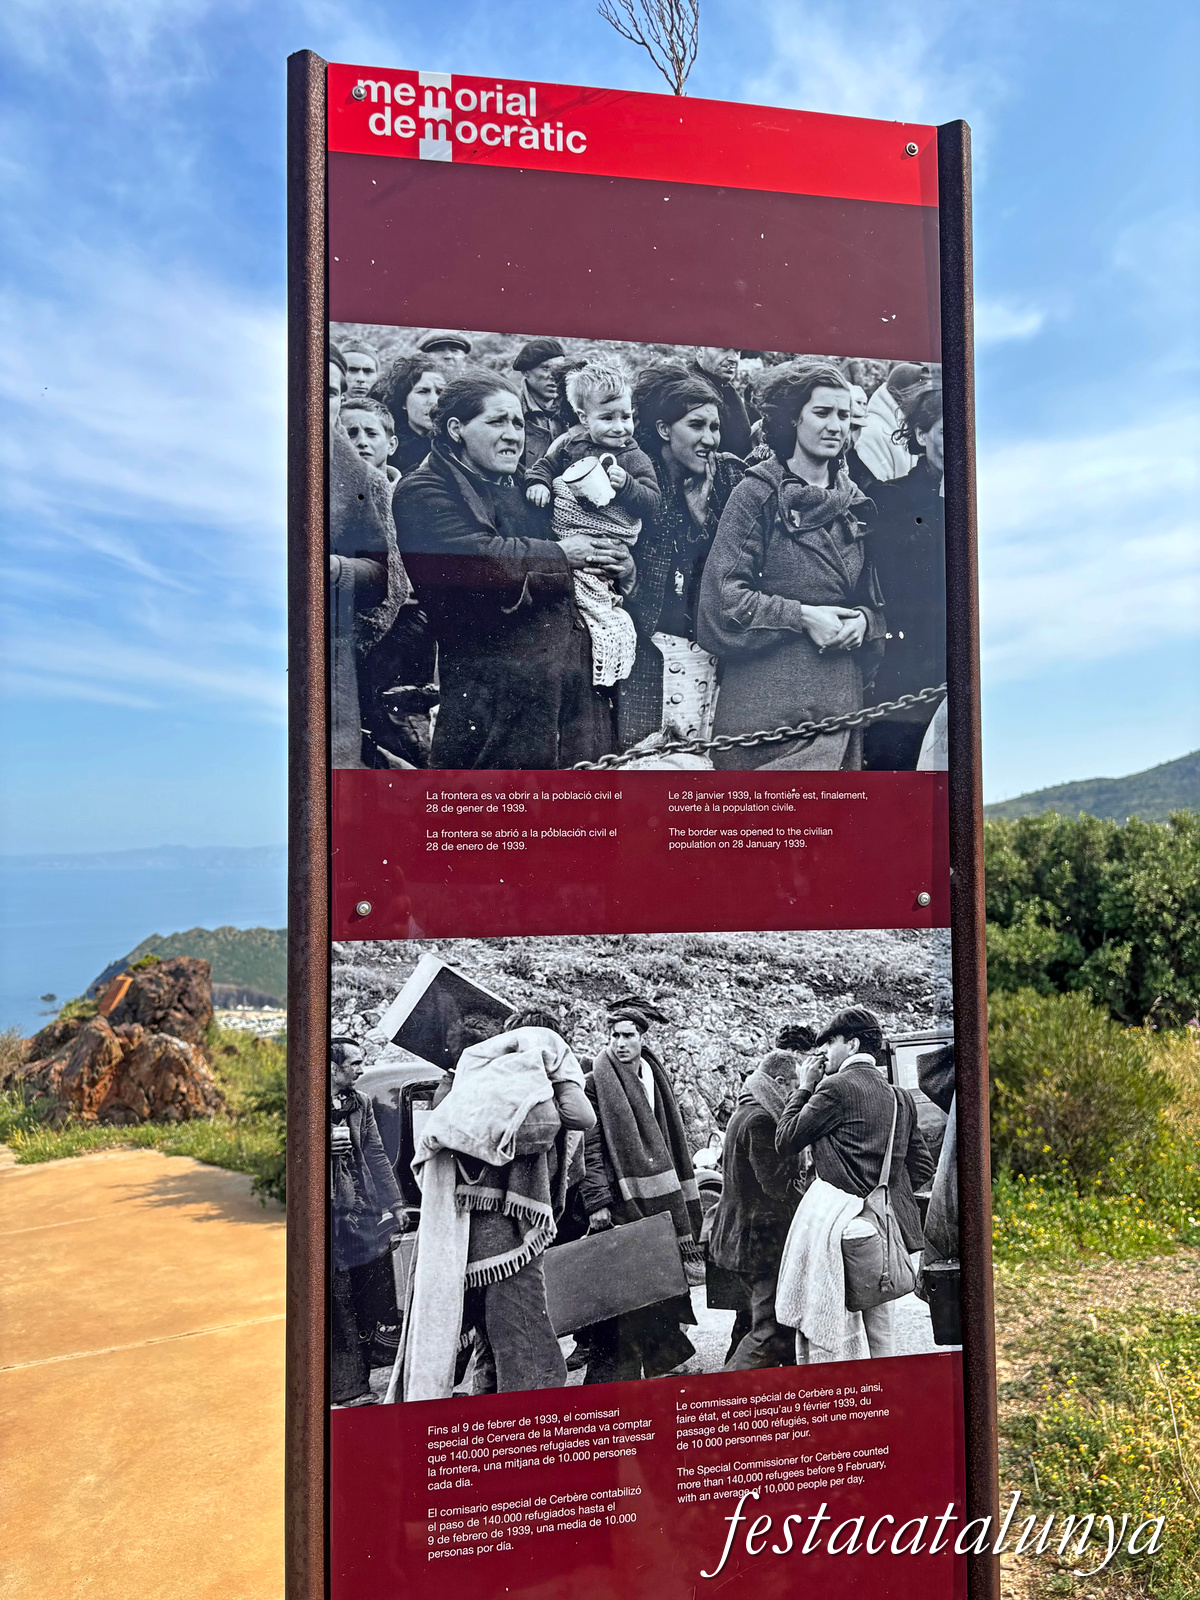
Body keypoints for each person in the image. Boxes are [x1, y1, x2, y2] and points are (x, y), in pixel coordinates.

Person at [394, 371, 628, 768]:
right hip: (493, 701)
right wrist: (561, 555)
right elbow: (477, 559)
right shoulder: (423, 490)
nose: (512, 435)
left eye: (518, 423)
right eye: (497, 421)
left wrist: (618, 560)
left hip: (569, 687)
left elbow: (583, 536)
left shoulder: (525, 485)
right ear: (456, 429)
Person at [696, 362, 885, 770]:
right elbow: (721, 601)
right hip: (766, 712)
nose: (835, 425)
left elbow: (876, 602)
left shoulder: (857, 505)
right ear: (793, 419)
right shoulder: (756, 494)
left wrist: (865, 623)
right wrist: (801, 616)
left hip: (837, 705)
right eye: (822, 413)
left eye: (844, 416)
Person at [405, 1014, 595, 1400]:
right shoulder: (531, 1092)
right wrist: (559, 1078)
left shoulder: (459, 1086)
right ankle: (527, 1429)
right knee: (525, 1338)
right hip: (513, 1236)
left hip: (467, 1236)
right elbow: (582, 1118)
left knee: (492, 1340)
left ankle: (491, 1417)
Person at [774, 1008, 935, 1364]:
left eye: (831, 1042)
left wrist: (803, 1086)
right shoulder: (899, 1096)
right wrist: (883, 1193)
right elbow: (922, 1166)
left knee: (837, 1335)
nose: (826, 1052)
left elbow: (785, 1139)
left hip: (842, 1232)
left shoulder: (834, 1088)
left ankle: (849, 1406)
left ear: (853, 1044)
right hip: (885, 1231)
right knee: (881, 1332)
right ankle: (887, 1404)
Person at [618, 364, 745, 748]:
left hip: (708, 646)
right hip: (644, 648)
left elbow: (736, 560)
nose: (710, 439)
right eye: (697, 425)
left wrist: (704, 516)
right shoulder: (634, 475)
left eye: (715, 427)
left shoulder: (727, 477)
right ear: (663, 430)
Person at [580, 1002, 703, 1384]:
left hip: (661, 1196)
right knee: (630, 1288)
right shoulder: (596, 1081)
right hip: (623, 1197)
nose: (620, 1044)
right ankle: (637, 1369)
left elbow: (669, 1137)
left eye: (628, 1035)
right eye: (614, 1035)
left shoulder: (654, 1076)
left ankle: (662, 1361)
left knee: (657, 1282)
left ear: (642, 1038)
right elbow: (591, 1146)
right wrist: (597, 1201)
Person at [526, 363, 661, 689]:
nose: (619, 427)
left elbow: (653, 503)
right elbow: (545, 465)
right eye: (607, 418)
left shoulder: (633, 457)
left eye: (625, 417)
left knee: (599, 596)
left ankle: (605, 646)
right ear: (584, 418)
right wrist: (539, 483)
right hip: (570, 534)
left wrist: (627, 485)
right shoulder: (570, 444)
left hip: (609, 538)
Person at [863, 384, 947, 770]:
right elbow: (903, 576)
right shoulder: (889, 496)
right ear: (920, 435)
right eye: (947, 432)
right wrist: (944, 503)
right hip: (909, 667)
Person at [708, 1049, 800, 1370]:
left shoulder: (743, 1112)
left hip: (740, 1239)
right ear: (778, 1082)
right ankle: (725, 1395)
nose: (795, 1095)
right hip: (759, 1244)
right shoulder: (761, 1120)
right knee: (769, 1330)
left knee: (749, 1321)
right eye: (793, 1087)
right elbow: (776, 1186)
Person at [329, 1039, 405, 1405]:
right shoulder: (304, 1101)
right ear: (331, 1067)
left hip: (361, 1213)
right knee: (337, 1299)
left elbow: (376, 1155)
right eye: (355, 1063)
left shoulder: (359, 1103)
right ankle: (350, 1388)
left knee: (365, 1293)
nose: (361, 1069)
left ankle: (363, 1376)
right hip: (328, 1216)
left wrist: (395, 1204)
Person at [854, 362, 932, 482]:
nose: (925, 402)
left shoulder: (911, 428)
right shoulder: (871, 430)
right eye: (920, 395)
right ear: (899, 393)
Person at [374, 354, 445, 475]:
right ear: (403, 402)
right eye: (423, 391)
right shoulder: (390, 447)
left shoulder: (453, 443)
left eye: (440, 392)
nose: (434, 401)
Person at [511, 337, 571, 468]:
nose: (555, 375)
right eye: (546, 368)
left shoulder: (573, 407)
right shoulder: (513, 408)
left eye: (559, 369)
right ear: (526, 372)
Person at [689, 347, 754, 459]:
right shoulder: (687, 389)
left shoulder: (727, 389)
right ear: (699, 349)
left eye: (737, 351)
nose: (734, 358)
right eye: (724, 349)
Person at [340, 395, 400, 495]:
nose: (362, 442)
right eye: (351, 434)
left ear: (391, 445)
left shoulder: (409, 494)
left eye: (372, 434)